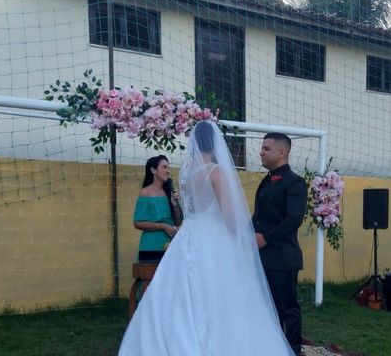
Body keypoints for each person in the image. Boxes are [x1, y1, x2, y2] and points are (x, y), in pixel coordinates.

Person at [119, 121, 294, 355]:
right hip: (213, 238)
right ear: (215, 144)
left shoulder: (186, 172)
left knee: (179, 290)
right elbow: (229, 215)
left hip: (188, 236)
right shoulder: (215, 171)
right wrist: (242, 237)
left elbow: (188, 207)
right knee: (219, 292)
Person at [252, 133, 307, 356]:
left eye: (266, 148)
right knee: (268, 307)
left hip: (283, 257)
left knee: (287, 307)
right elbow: (260, 216)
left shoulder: (295, 182)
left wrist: (266, 239)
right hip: (263, 256)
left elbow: (293, 219)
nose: (261, 152)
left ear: (281, 152)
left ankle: (292, 349)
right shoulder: (267, 179)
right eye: (262, 148)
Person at [133, 155, 180, 262]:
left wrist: (175, 206)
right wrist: (162, 226)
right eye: (164, 167)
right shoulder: (145, 193)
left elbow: (178, 223)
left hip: (171, 244)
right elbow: (137, 223)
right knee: (150, 277)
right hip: (150, 244)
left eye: (168, 167)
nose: (168, 171)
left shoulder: (170, 193)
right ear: (153, 170)